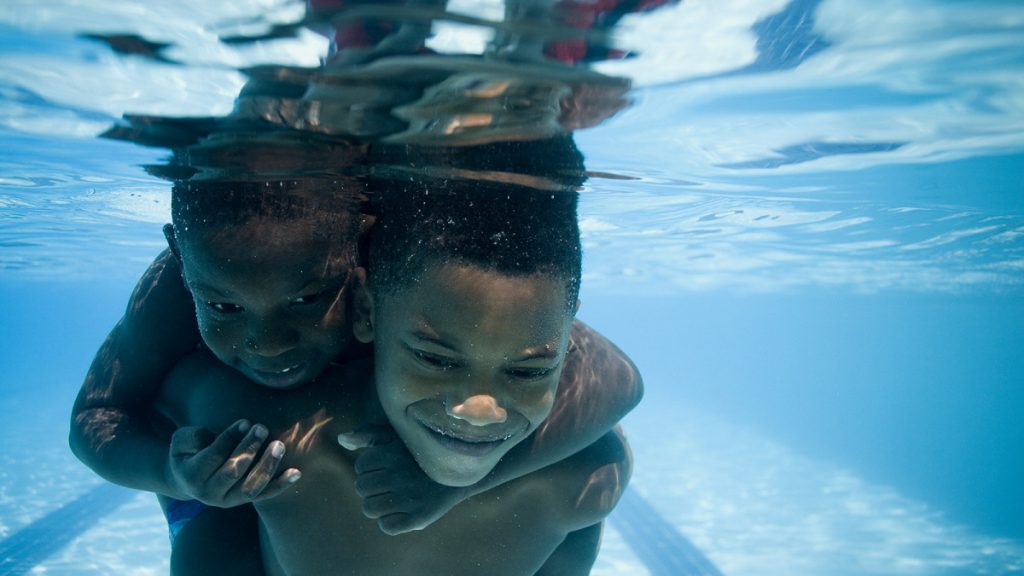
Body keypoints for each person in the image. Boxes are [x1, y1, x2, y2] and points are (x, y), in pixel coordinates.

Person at [69, 135, 642, 574]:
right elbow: (105, 412)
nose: (270, 345)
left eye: (308, 297)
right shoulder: (201, 265)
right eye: (222, 307)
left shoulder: (443, 269)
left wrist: (458, 484)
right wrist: (174, 472)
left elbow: (617, 381)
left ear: (359, 255)